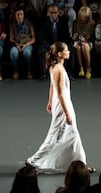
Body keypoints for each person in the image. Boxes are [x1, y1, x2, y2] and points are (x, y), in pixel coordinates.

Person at [26, 42, 95, 174]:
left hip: (64, 104)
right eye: (66, 50)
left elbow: (52, 87)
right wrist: (67, 113)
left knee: (74, 136)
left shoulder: (56, 67)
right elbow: (60, 93)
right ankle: (33, 161)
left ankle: (81, 165)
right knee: (54, 137)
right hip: (63, 107)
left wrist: (49, 101)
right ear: (59, 54)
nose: (69, 52)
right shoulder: (58, 69)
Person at [9, 6, 35, 80]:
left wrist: (26, 45)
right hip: (16, 44)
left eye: (21, 14)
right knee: (13, 53)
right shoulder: (12, 24)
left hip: (27, 43)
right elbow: (11, 39)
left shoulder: (29, 23)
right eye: (18, 14)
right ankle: (16, 70)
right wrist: (17, 45)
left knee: (27, 53)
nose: (20, 16)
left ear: (24, 15)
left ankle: (30, 70)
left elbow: (33, 38)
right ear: (15, 15)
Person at [72, 6, 95, 79]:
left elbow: (90, 36)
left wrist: (85, 39)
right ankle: (81, 67)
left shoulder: (92, 23)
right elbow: (74, 34)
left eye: (85, 17)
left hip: (88, 42)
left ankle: (88, 68)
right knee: (78, 46)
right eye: (82, 17)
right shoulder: (75, 22)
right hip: (78, 40)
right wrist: (75, 37)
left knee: (85, 46)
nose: (83, 19)